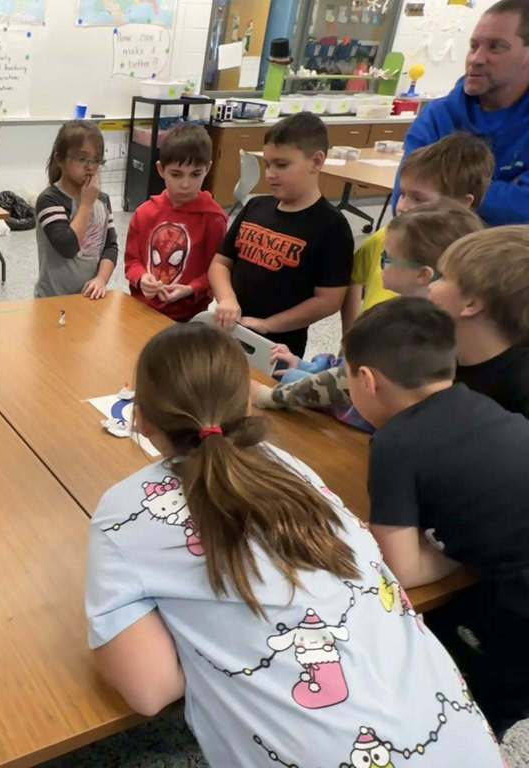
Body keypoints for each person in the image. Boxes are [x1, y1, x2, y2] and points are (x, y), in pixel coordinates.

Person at [86, 321, 503, 766]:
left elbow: (149, 692)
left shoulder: (122, 510)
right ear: (245, 405)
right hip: (466, 745)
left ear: (141, 415)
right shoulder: (287, 464)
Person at [343, 296, 529, 736]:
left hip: (516, 618)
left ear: (367, 380)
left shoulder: (394, 444)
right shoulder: (486, 405)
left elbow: (402, 569)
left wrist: (453, 549)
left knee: (470, 713)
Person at [254, 201, 485, 427]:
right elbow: (348, 368)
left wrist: (275, 394)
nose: (380, 262)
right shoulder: (409, 313)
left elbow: (343, 386)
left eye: (386, 257)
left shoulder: (412, 331)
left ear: (423, 275)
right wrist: (306, 367)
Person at [208, 113, 353, 356]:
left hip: (277, 347)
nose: (270, 174)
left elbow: (329, 300)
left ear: (316, 162)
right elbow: (221, 263)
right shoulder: (255, 207)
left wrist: (269, 325)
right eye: (267, 164)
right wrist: (227, 299)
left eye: (282, 165)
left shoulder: (332, 226)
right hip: (229, 331)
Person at [343, 132, 494, 332]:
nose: (402, 206)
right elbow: (354, 276)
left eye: (418, 199)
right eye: (402, 194)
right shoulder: (388, 236)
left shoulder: (472, 263)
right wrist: (351, 332)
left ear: (463, 203)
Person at [396, 0, 529, 225]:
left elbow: (522, 211)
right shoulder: (438, 116)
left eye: (496, 46)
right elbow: (408, 206)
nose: (476, 59)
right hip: (426, 253)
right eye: (473, 46)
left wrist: (440, 192)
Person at [125, 124, 227, 321]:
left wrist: (191, 289)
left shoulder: (213, 219)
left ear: (208, 168)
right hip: (141, 311)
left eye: (195, 174)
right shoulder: (145, 213)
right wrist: (142, 279)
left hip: (188, 318)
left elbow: (217, 272)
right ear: (161, 170)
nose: (186, 184)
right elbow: (132, 261)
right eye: (176, 174)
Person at [429, 225, 529, 418]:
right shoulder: (440, 353)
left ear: (471, 303)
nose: (431, 285)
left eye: (442, 277)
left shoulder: (520, 386)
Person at [34, 120, 118, 299]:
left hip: (90, 297)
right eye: (82, 159)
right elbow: (68, 247)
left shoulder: (102, 200)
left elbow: (110, 247)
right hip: (53, 298)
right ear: (60, 158)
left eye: (96, 160)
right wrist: (87, 204)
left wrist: (101, 280)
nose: (90, 167)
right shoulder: (50, 199)